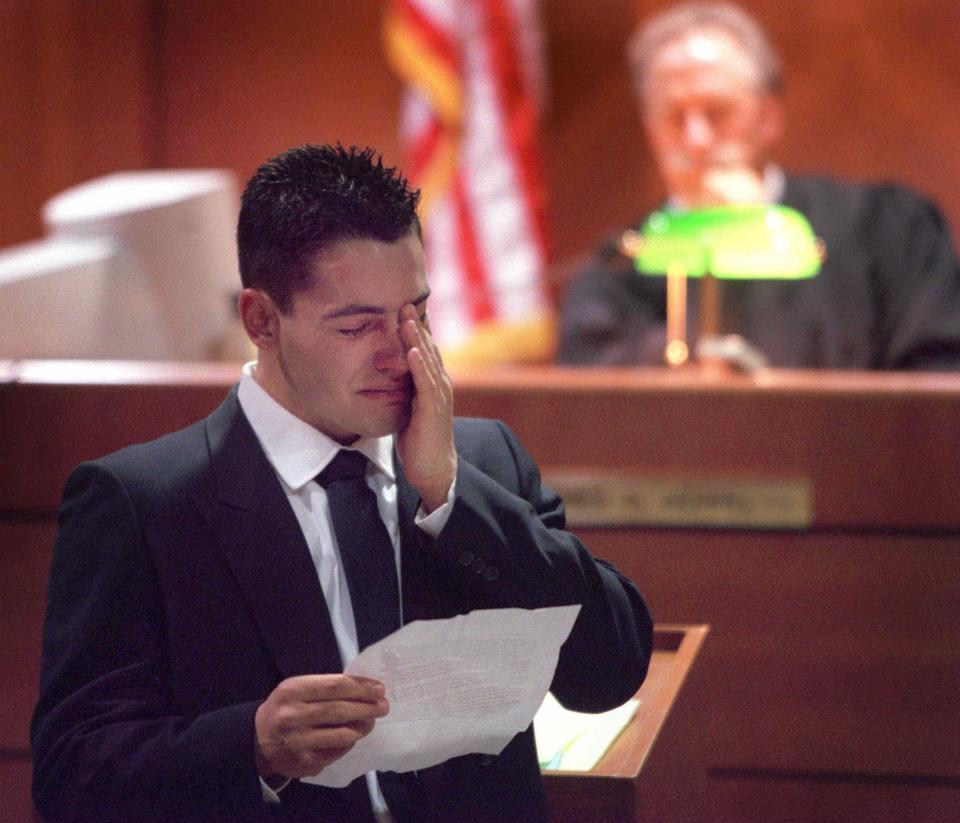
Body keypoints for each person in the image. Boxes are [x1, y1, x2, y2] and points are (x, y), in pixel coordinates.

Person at [30, 144, 653, 823]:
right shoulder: (143, 502)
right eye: (358, 325)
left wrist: (451, 494)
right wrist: (253, 744)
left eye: (415, 312)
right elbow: (72, 776)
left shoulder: (482, 461)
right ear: (262, 320)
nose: (402, 353)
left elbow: (610, 672)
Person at [558, 1, 960, 370]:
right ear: (650, 132)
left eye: (717, 112)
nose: (696, 139)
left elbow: (934, 387)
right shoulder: (617, 267)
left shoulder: (888, 230)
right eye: (675, 117)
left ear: (767, 117)